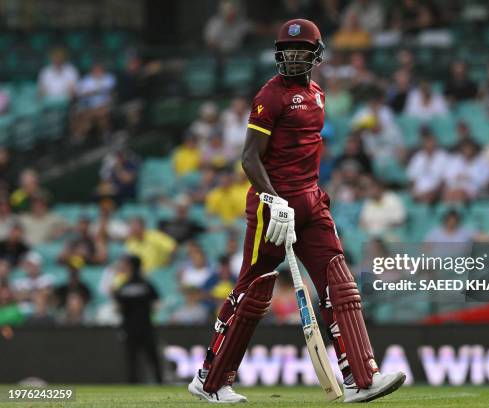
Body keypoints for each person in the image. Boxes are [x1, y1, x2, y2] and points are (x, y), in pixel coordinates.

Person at [188, 19, 405, 404]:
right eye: (287, 52)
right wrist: (273, 200)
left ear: (316, 56)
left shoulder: (319, 94)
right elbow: (249, 158)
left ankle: (361, 377)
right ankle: (210, 380)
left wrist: (305, 200)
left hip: (311, 201)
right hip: (273, 208)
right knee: (251, 293)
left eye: (301, 52)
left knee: (339, 283)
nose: (292, 58)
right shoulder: (269, 96)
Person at [113, 255, 162, 384]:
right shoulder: (146, 284)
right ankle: (159, 381)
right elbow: (156, 304)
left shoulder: (124, 286)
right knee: (152, 357)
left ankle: (133, 383)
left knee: (132, 359)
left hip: (129, 327)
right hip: (146, 325)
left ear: (130, 266)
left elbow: (118, 307)